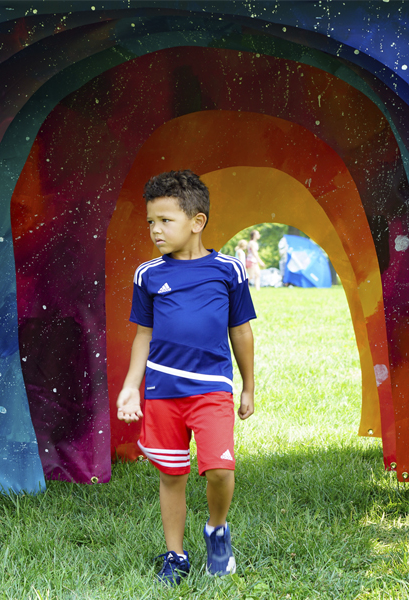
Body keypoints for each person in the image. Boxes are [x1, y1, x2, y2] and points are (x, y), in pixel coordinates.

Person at [116, 170, 256, 586]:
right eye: (150, 222)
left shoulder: (229, 270)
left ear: (197, 221)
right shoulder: (148, 275)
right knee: (171, 473)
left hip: (212, 389)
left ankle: (216, 532)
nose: (155, 230)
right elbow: (143, 335)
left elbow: (241, 331)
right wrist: (130, 386)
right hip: (163, 391)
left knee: (219, 470)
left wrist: (248, 386)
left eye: (165, 220)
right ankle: (175, 554)